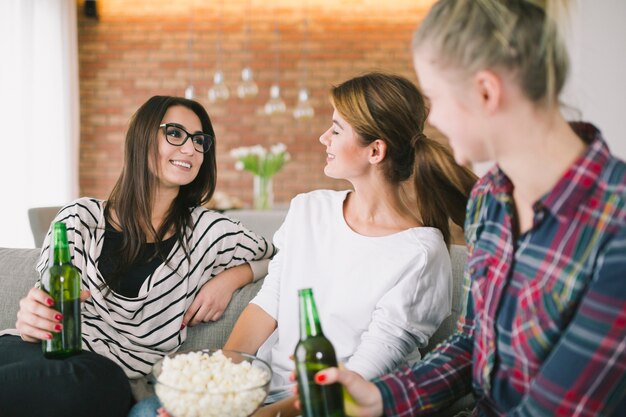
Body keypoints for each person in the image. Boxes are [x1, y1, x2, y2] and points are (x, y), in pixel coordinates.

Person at [311, 1, 626, 416]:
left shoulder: (616, 226)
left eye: (435, 98)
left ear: (486, 91)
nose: (433, 119)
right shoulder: (490, 198)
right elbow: (475, 344)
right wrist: (383, 396)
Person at [138, 72, 477, 417]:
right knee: (148, 411)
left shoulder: (420, 253)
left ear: (375, 151)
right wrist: (218, 394)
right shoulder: (309, 209)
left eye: (336, 129)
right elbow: (269, 303)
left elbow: (360, 378)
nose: (323, 137)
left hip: (337, 407)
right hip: (262, 392)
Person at [0, 95, 276, 417]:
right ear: (141, 138)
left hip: (105, 380)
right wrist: (34, 317)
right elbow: (47, 296)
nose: (190, 149)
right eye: (175, 134)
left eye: (200, 141)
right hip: (31, 353)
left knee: (91, 382)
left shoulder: (210, 232)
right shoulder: (79, 218)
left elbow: (286, 258)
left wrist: (234, 276)